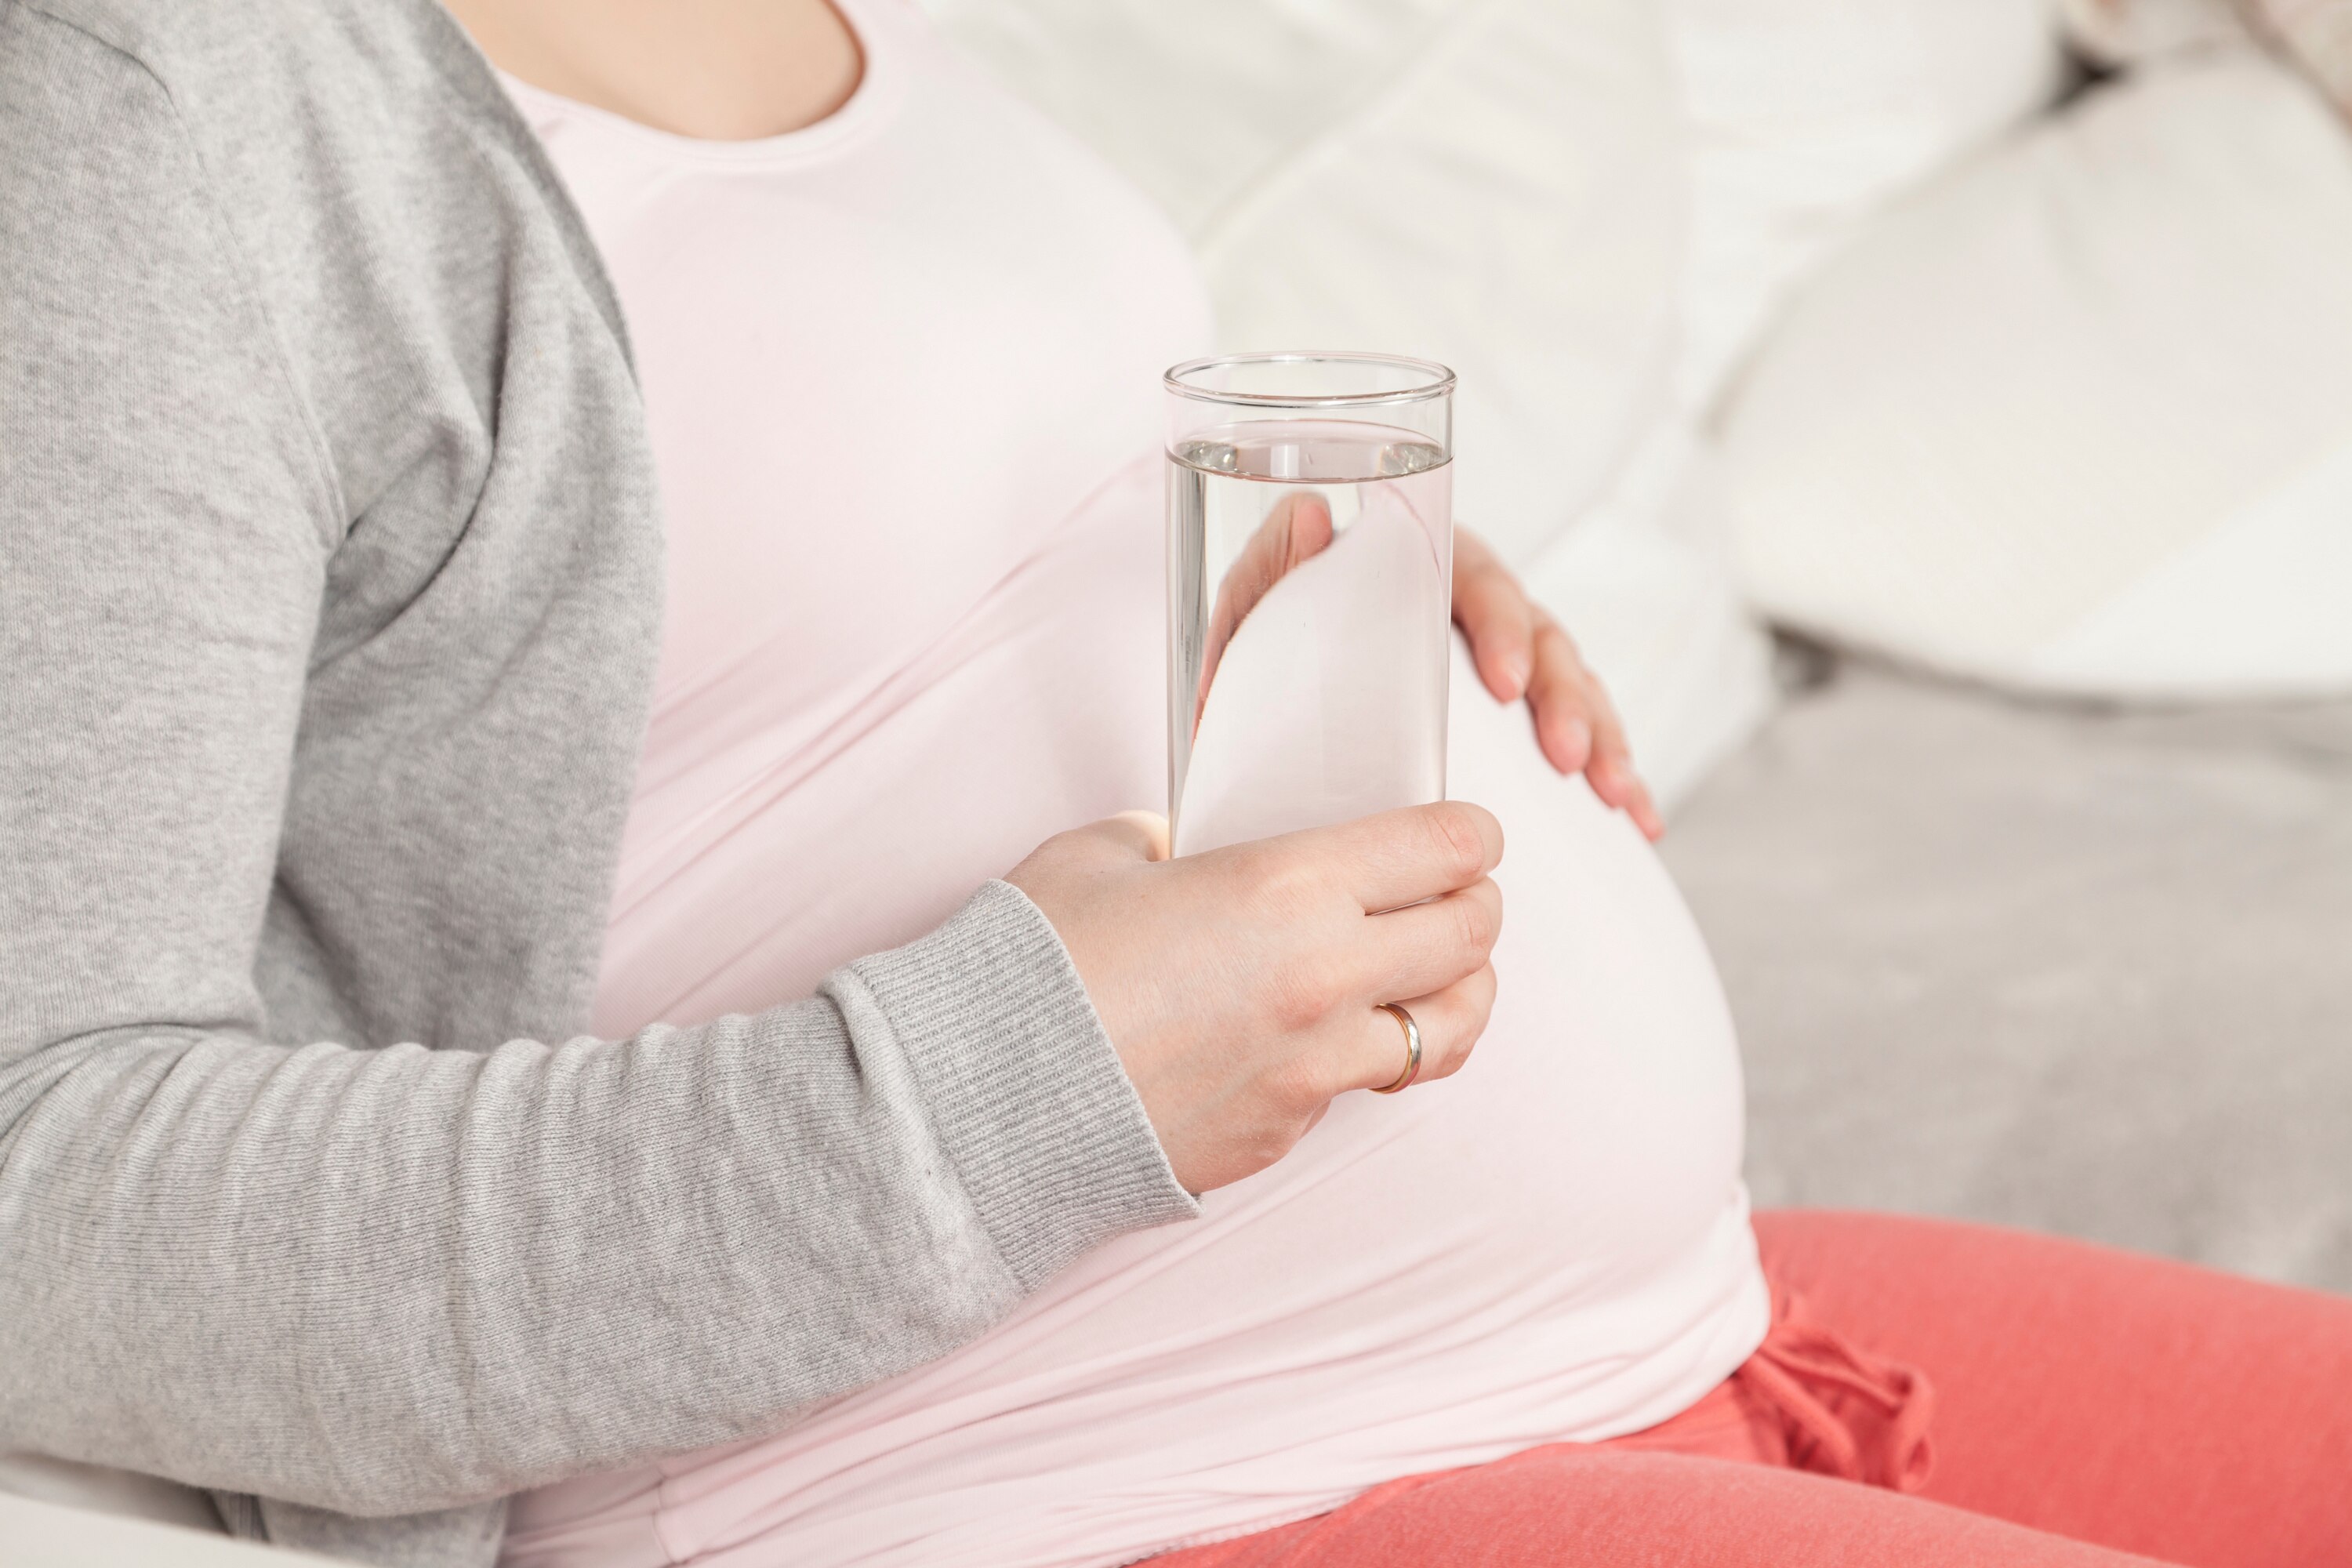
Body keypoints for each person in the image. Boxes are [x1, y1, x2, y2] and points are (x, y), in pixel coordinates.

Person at [2, 5, 2347, 1568]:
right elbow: (43, 1186)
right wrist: (1030, 1080)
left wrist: (1266, 596)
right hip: (1070, 1486)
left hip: (1651, 1336)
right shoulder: (146, 106)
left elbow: (786, 588)